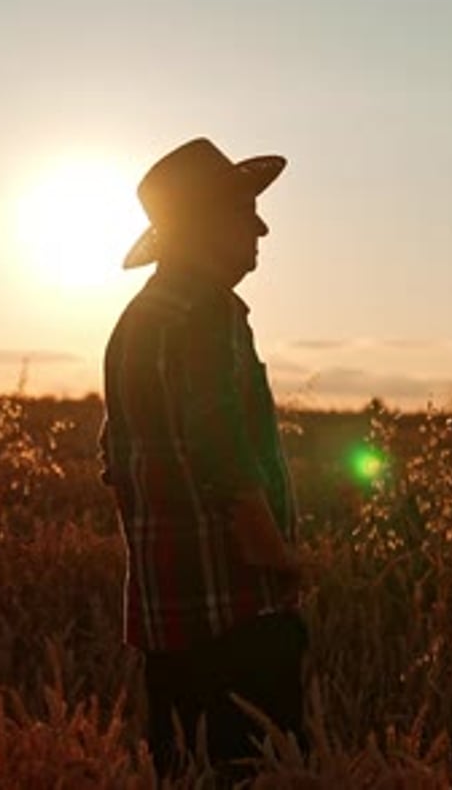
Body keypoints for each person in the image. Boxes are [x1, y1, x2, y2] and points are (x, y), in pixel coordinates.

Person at [99, 137, 307, 779]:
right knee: (259, 768)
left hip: (169, 620)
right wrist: (275, 553)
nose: (261, 226)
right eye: (245, 211)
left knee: (185, 771)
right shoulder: (211, 312)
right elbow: (220, 446)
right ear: (204, 223)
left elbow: (114, 458)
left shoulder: (135, 322)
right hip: (236, 613)